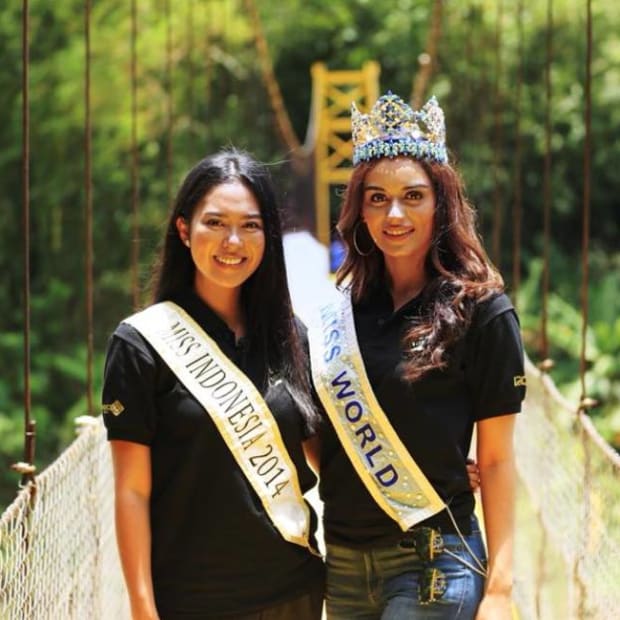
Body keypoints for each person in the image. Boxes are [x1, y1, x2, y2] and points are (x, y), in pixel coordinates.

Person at [306, 92, 526, 619]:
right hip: (343, 564)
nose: (394, 213)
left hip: (434, 561)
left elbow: (495, 460)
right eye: (377, 198)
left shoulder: (482, 312)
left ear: (440, 203)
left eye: (413, 196)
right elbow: (321, 431)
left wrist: (501, 588)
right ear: (358, 209)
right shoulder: (339, 311)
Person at [101, 148, 324, 620]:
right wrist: (142, 608)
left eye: (250, 225)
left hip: (294, 592)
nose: (233, 241)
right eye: (215, 223)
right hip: (192, 601)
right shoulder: (141, 344)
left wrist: (436, 466)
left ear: (268, 237)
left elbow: (327, 453)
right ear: (184, 230)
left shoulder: (289, 335)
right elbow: (132, 492)